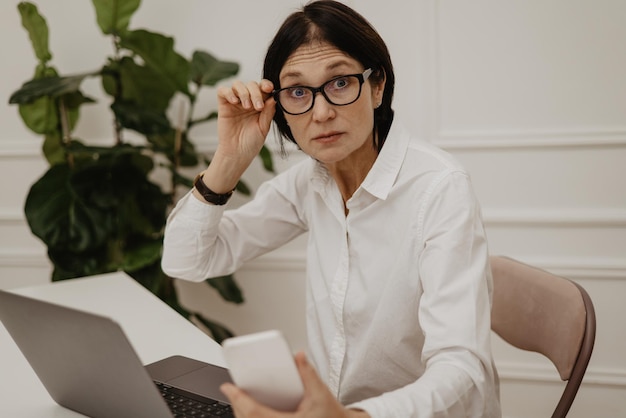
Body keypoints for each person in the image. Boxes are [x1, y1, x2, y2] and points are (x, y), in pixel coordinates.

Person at [162, 1, 501, 417]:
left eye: (340, 82)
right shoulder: (311, 182)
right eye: (298, 92)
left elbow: (461, 365)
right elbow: (186, 261)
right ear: (280, 104)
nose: (321, 112)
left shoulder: (439, 188)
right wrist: (229, 160)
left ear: (376, 86)